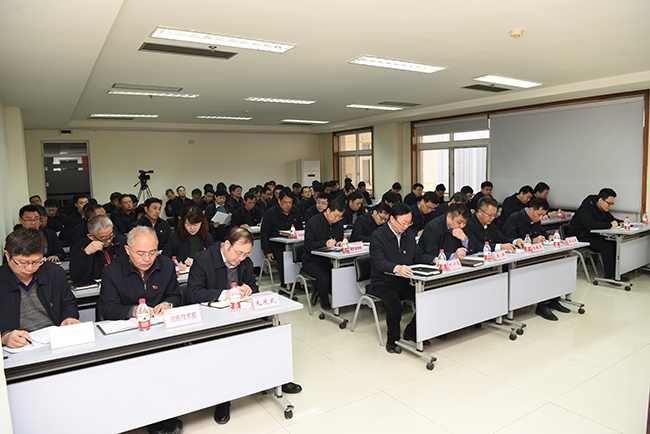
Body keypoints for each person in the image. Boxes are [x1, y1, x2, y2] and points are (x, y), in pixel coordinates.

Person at [185, 227, 302, 424]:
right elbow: (192, 293)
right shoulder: (203, 259)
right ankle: (223, 399)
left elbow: (254, 288)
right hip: (214, 320)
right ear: (226, 245)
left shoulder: (245, 262)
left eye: (246, 254)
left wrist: (249, 290)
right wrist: (224, 294)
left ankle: (276, 380)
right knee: (221, 348)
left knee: (271, 332)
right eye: (238, 253)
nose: (241, 258)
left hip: (241, 315)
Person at [99, 226, 182, 434]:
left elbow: (176, 295)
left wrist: (168, 304)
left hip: (160, 332)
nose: (147, 259)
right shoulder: (112, 271)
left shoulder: (166, 265)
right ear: (128, 250)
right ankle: (150, 418)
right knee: (141, 375)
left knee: (169, 371)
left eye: (152, 253)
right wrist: (134, 311)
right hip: (129, 335)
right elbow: (107, 308)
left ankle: (168, 411)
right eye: (141, 253)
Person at [0, 228, 80, 348]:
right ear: (7, 255)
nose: (29, 268)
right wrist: (5, 337)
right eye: (22, 262)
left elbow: (68, 302)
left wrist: (69, 318)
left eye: (36, 262)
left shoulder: (54, 272)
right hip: (21, 345)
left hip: (55, 339)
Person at [368, 203, 425, 353]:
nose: (406, 226)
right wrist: (396, 267)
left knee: (425, 298)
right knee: (394, 305)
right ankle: (392, 341)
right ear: (392, 219)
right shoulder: (378, 236)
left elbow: (417, 255)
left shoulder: (409, 234)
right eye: (403, 223)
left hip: (404, 280)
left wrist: (433, 259)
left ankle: (411, 332)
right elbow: (379, 262)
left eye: (409, 223)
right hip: (383, 281)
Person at [503, 198, 567, 321]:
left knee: (553, 266)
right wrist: (532, 241)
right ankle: (542, 305)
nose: (541, 218)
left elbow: (541, 232)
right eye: (539, 214)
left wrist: (549, 236)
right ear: (531, 210)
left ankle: (553, 299)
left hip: (532, 255)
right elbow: (509, 239)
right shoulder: (514, 218)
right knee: (541, 269)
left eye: (543, 215)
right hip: (516, 257)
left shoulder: (536, 220)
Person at [568, 188, 623, 281]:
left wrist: (620, 222)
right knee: (608, 246)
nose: (610, 206)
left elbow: (611, 219)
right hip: (579, 237)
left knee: (615, 244)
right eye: (609, 203)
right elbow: (590, 225)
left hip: (590, 236)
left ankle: (617, 274)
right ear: (601, 200)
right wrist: (610, 225)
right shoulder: (586, 208)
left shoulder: (602, 209)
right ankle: (610, 276)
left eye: (612, 204)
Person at [301, 199, 345, 310]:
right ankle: (325, 303)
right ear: (328, 210)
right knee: (324, 277)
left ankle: (339, 299)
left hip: (330, 259)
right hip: (311, 260)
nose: (337, 219)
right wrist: (324, 243)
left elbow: (339, 239)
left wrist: (340, 243)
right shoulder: (313, 222)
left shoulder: (339, 225)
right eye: (335, 216)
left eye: (340, 217)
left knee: (341, 274)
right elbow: (308, 245)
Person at [261, 190, 303, 286]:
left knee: (302, 255)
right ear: (279, 201)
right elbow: (264, 233)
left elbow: (300, 230)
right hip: (276, 245)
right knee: (283, 256)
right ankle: (285, 284)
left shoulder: (296, 211)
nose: (288, 205)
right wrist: (267, 251)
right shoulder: (270, 213)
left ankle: (297, 282)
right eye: (285, 202)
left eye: (290, 202)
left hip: (293, 243)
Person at [69, 215, 127, 283]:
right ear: (90, 236)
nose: (109, 240)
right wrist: (86, 254)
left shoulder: (122, 241)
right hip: (96, 285)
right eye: (103, 238)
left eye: (111, 235)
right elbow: (76, 278)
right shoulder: (79, 248)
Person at [162, 206, 213, 271]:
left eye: (196, 225)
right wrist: (175, 265)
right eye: (188, 225)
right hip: (183, 274)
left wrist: (197, 261)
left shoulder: (207, 237)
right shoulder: (174, 238)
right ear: (183, 223)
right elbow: (164, 258)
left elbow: (213, 258)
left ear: (202, 222)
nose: (192, 228)